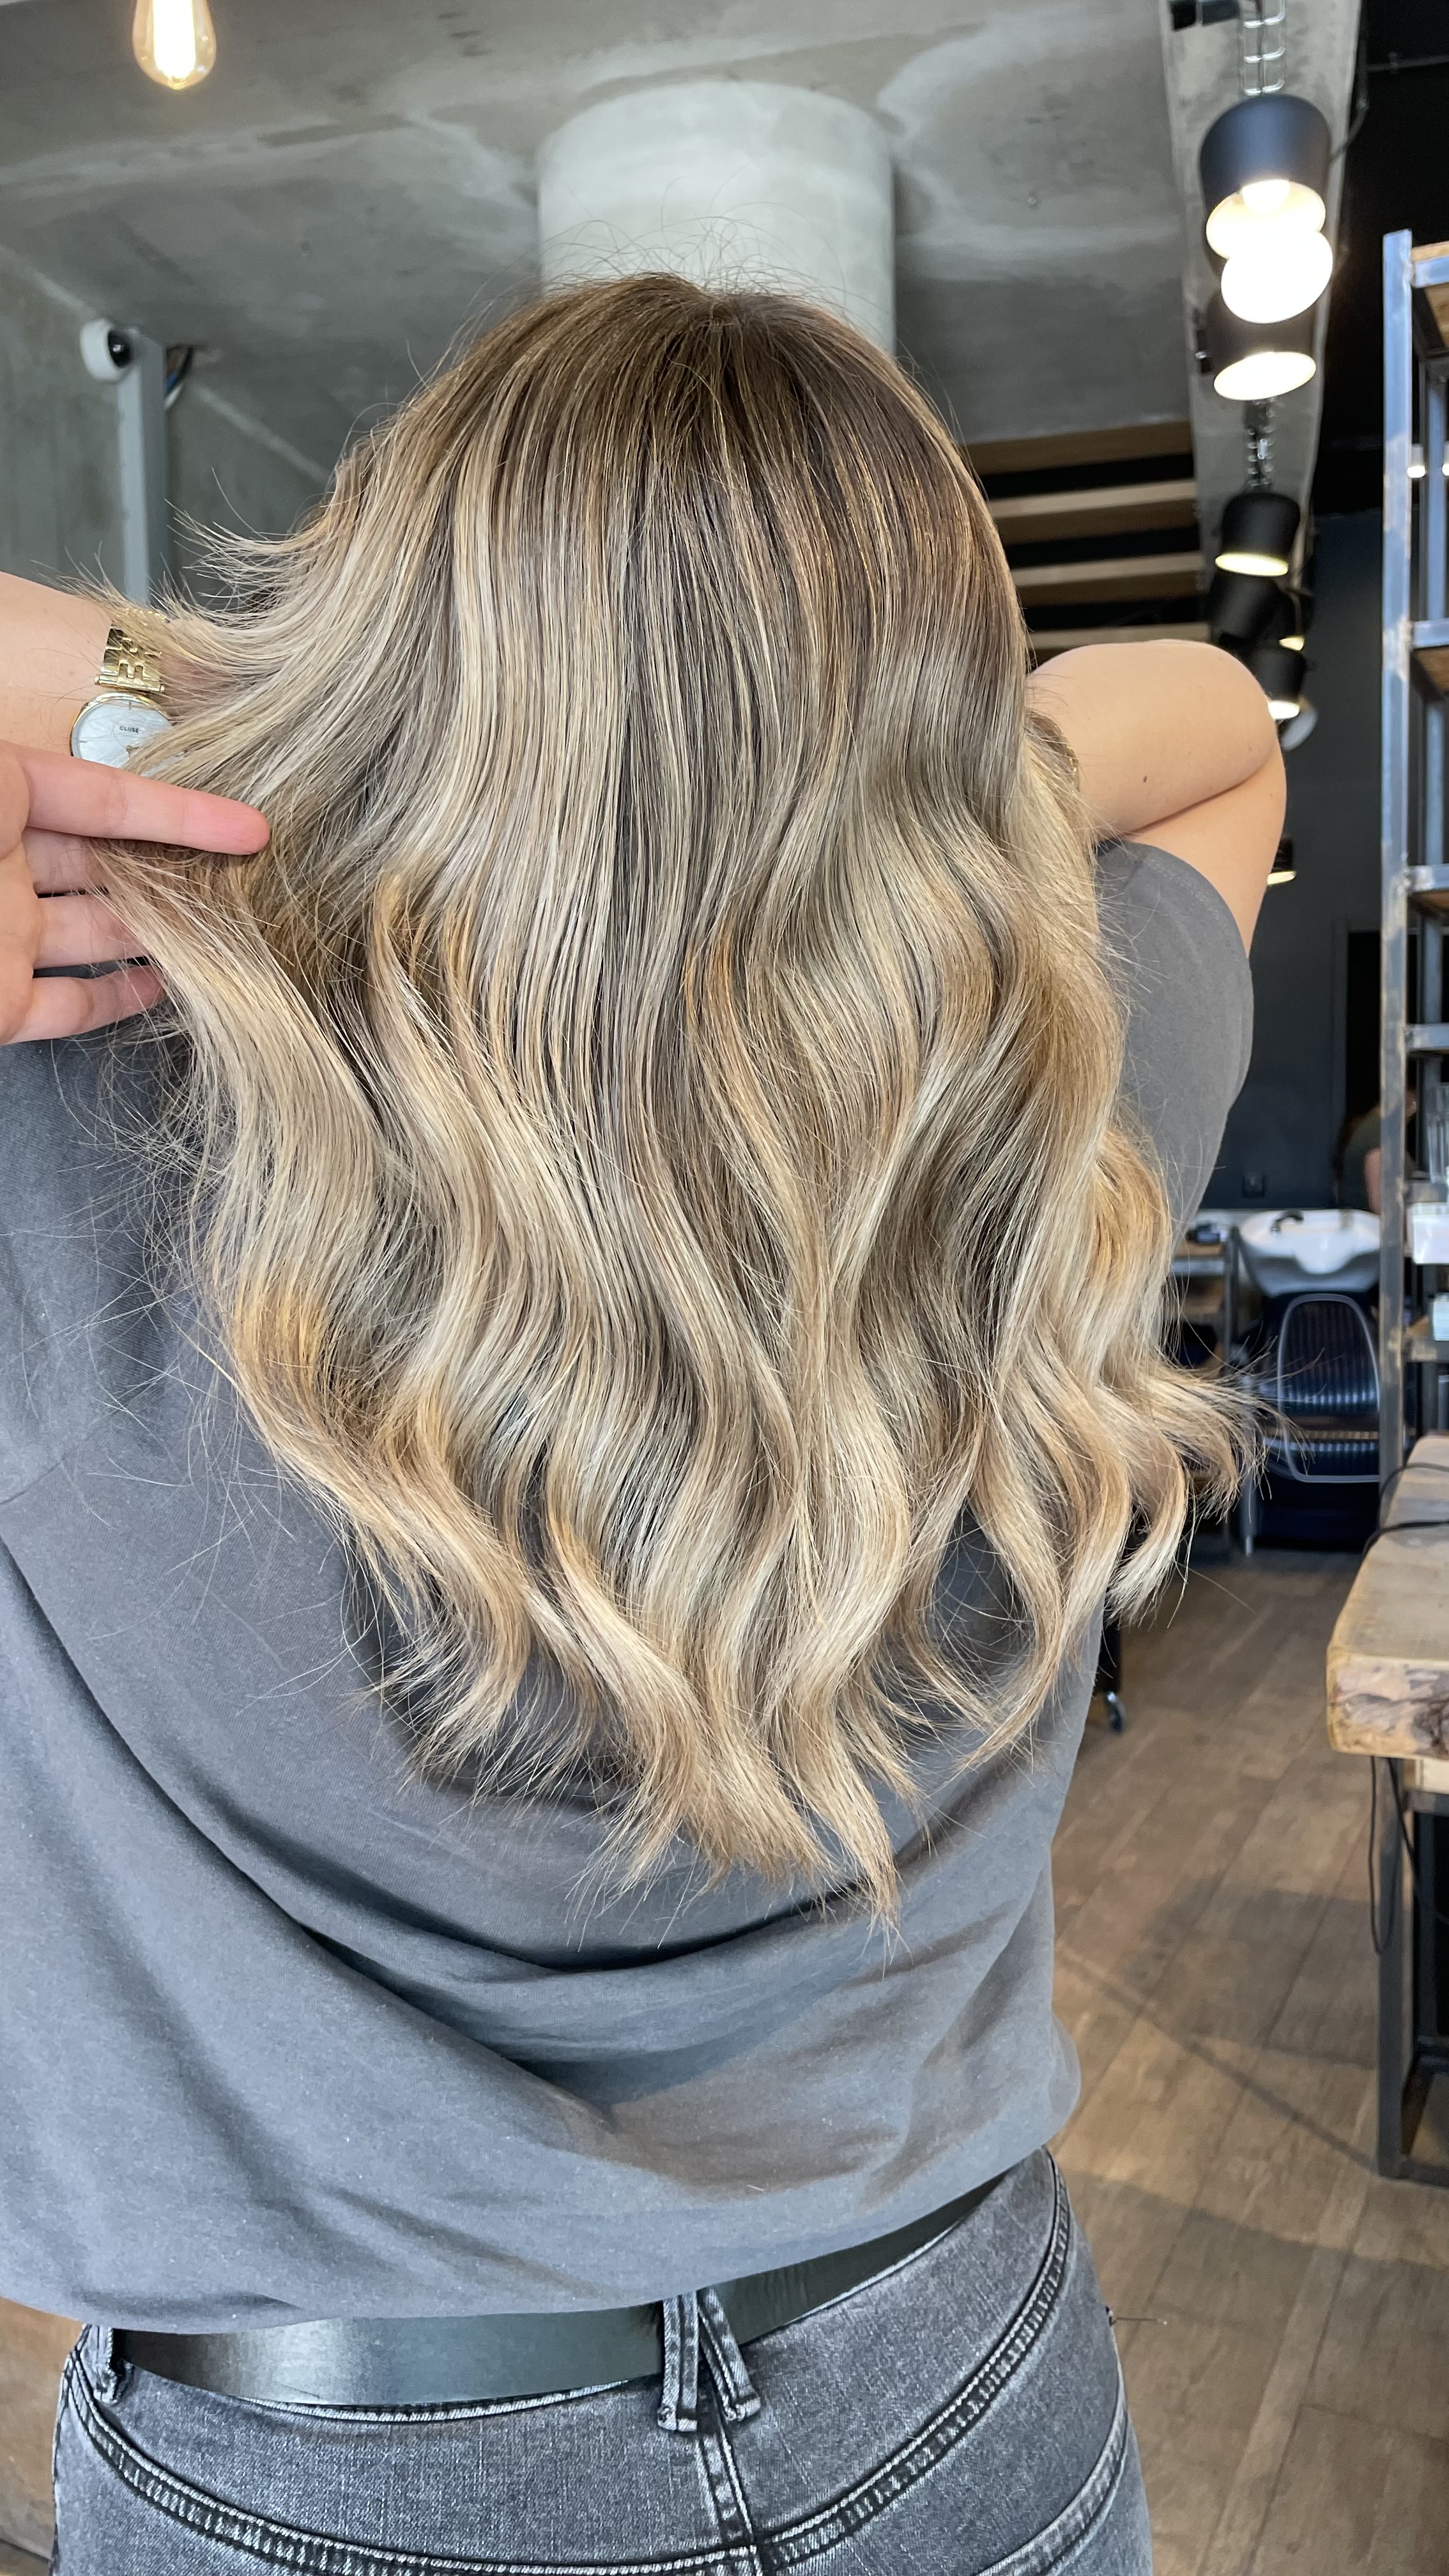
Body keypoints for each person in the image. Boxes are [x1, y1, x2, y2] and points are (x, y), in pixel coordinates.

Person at [0, 275, 1281, 2574]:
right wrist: (885, 809)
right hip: (952, 2374)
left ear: (380, 634)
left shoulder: (67, 1089)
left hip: (318, 2468)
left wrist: (226, 711)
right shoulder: (1043, 1109)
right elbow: (1203, 724)